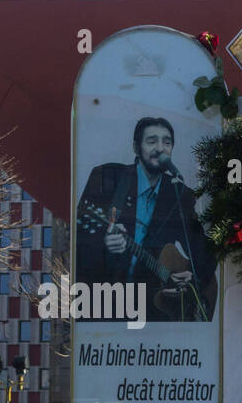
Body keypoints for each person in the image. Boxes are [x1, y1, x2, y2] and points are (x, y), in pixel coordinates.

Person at [75, 117, 217, 322]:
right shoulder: (108, 178)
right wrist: (103, 243)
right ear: (136, 147)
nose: (160, 148)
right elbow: (78, 241)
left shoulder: (179, 194)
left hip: (156, 318)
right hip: (109, 309)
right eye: (152, 141)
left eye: (167, 142)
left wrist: (191, 280)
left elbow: (205, 253)